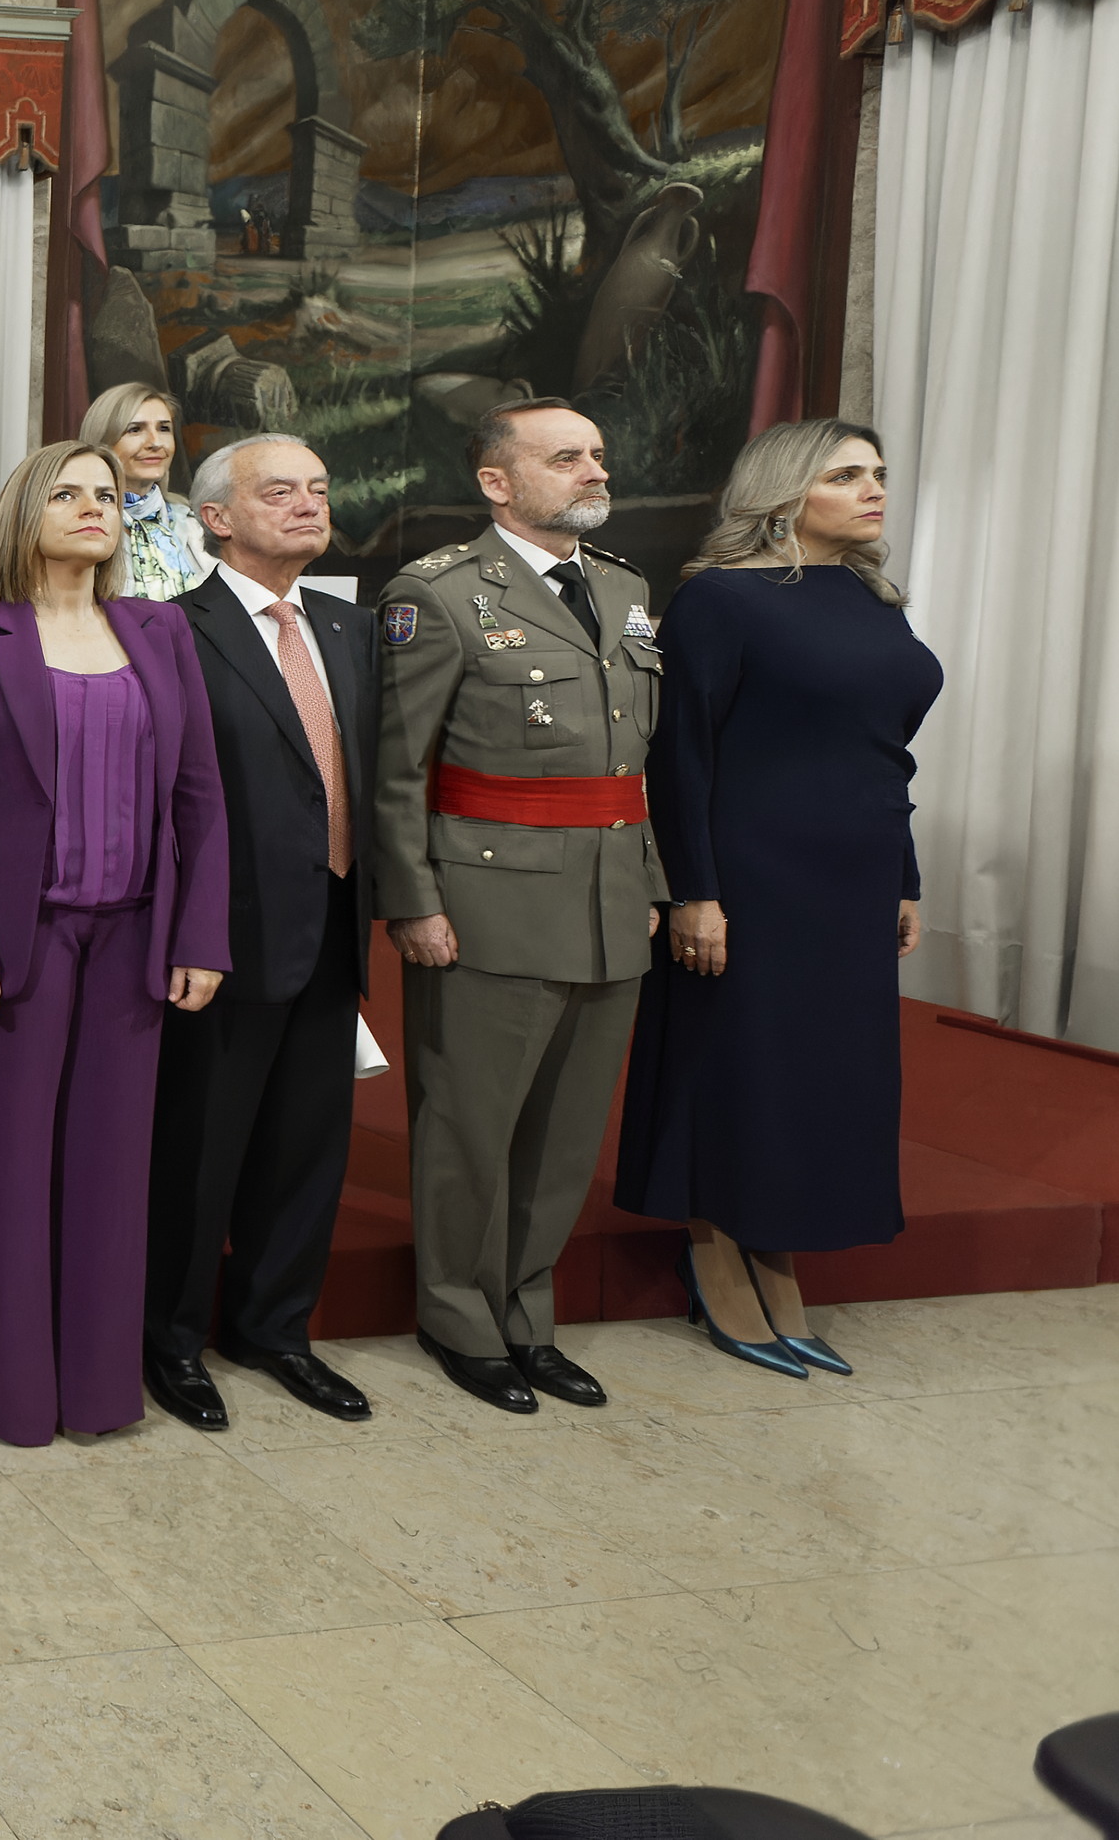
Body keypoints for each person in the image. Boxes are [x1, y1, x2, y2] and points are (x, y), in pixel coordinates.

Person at [619, 420, 940, 1378]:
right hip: (751, 878)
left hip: (852, 877)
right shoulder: (717, 601)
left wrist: (904, 875)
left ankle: (777, 1263)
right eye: (846, 475)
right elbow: (680, 760)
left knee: (820, 1078)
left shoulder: (872, 598)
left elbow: (882, 750)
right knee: (740, 1068)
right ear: (783, 492)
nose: (873, 488)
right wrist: (693, 894)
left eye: (876, 473)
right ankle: (716, 1261)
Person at [370, 399, 665, 1418]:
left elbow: (634, 763)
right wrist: (411, 901)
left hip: (609, 899)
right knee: (470, 1129)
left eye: (597, 453)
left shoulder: (624, 588)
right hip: (486, 900)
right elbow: (397, 770)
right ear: (499, 482)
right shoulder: (442, 595)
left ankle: (527, 1316)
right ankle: (456, 1315)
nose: (594, 469)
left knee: (566, 1135)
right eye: (566, 457)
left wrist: (653, 885)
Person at [0, 439, 227, 1448]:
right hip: (24, 939)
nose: (94, 507)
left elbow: (199, 792)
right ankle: (5, 1387)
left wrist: (201, 933)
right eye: (68, 493)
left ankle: (100, 1389)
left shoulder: (159, 630)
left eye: (106, 494)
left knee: (114, 1169)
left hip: (137, 931)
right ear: (27, 512)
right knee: (12, 1170)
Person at [143, 435, 377, 1432]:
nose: (306, 505)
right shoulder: (169, 632)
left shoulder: (349, 626)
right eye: (278, 491)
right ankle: (170, 1339)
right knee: (201, 1148)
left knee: (307, 1144)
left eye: (319, 489)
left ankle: (277, 1327)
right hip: (222, 935)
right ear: (216, 517)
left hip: (333, 921)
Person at [80, 382, 208, 602]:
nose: (156, 442)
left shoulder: (193, 524)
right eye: (135, 429)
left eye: (164, 428)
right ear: (103, 442)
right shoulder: (81, 525)